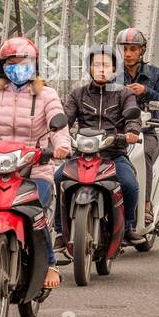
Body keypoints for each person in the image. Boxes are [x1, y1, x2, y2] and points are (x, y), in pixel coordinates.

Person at [0, 37, 70, 291]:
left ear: (34, 63)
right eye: (11, 62)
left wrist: (61, 146)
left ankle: (50, 263)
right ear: (2, 65)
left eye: (23, 62)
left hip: (36, 168)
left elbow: (58, 125)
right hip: (0, 167)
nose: (17, 66)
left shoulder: (46, 93)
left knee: (36, 206)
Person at [56, 45, 143, 247]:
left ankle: (128, 227)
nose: (101, 69)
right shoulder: (78, 94)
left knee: (129, 184)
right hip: (83, 154)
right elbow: (66, 119)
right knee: (58, 177)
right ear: (90, 68)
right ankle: (60, 231)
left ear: (114, 69)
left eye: (106, 65)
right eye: (96, 65)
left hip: (113, 154)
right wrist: (57, 132)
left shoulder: (124, 94)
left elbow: (133, 114)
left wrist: (132, 132)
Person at [116, 28, 159, 223]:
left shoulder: (155, 74)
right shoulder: (112, 74)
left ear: (142, 51)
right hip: (117, 130)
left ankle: (146, 205)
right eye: (124, 49)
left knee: (144, 153)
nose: (128, 54)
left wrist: (145, 90)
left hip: (146, 129)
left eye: (133, 49)